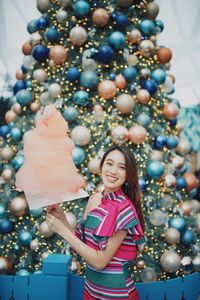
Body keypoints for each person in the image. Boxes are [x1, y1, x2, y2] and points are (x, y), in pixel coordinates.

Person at [46, 145, 146, 299]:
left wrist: (62, 230)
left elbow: (100, 261)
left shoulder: (125, 209)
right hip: (91, 291)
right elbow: (83, 245)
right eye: (109, 163)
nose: (113, 171)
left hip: (117, 294)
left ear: (128, 174)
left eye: (121, 167)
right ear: (102, 166)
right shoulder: (95, 198)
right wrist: (62, 218)